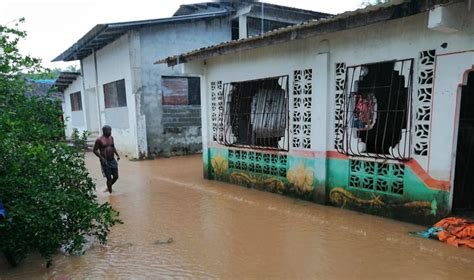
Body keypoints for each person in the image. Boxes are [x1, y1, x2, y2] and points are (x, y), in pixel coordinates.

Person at [93, 125, 120, 193]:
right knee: (109, 178)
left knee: (116, 176)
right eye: (108, 130)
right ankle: (110, 194)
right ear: (104, 131)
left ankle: (108, 187)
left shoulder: (111, 138)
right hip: (105, 161)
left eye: (110, 130)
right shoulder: (99, 140)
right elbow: (94, 150)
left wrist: (117, 154)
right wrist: (102, 158)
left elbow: (113, 147)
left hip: (112, 160)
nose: (110, 132)